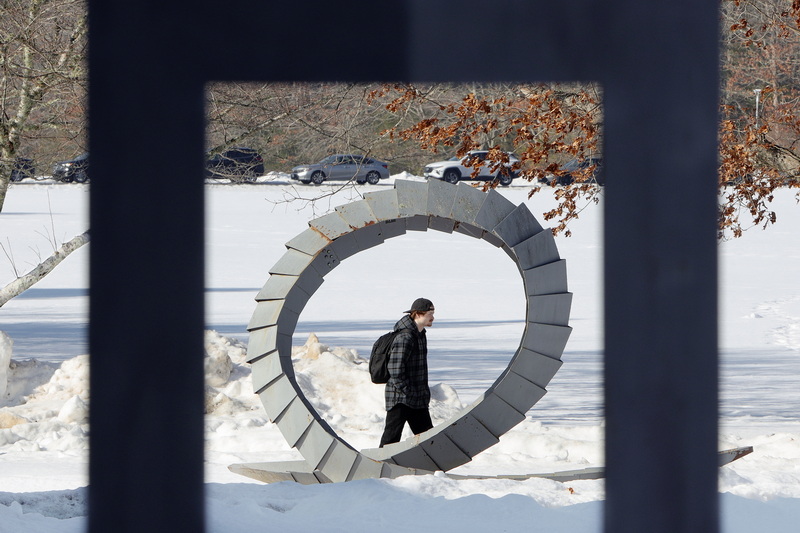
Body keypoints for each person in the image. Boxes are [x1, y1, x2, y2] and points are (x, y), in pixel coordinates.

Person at [379, 297, 435, 447]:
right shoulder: (405, 337)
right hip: (400, 398)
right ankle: (378, 467)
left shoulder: (420, 334)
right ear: (418, 314)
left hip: (416, 398)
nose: (433, 317)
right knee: (391, 439)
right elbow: (395, 369)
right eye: (430, 313)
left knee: (428, 439)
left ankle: (430, 468)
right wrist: (407, 391)